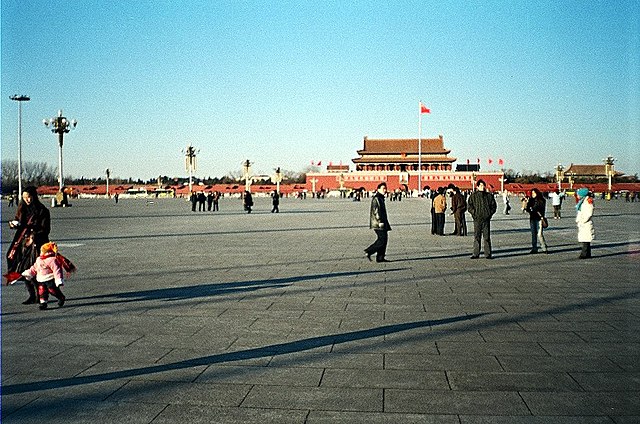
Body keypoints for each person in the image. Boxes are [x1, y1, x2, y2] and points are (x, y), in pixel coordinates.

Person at [6, 186, 51, 304]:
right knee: (18, 263)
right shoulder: (22, 208)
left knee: (33, 268)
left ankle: (39, 294)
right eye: (25, 197)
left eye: (29, 197)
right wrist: (13, 225)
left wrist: (32, 231)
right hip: (22, 241)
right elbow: (18, 221)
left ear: (34, 197)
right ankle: (32, 294)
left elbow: (45, 229)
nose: (27, 200)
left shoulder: (42, 210)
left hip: (36, 242)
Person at [21, 242, 69, 310]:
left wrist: (58, 279)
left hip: (50, 278)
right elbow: (34, 268)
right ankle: (43, 303)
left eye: (42, 251)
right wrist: (29, 273)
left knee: (52, 290)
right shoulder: (39, 259)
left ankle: (60, 297)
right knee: (41, 291)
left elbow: (57, 270)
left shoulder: (53, 260)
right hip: (41, 278)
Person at [467, 180, 497, 259]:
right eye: (480, 185)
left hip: (486, 219)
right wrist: (474, 213)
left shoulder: (489, 196)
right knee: (477, 237)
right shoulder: (473, 196)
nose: (482, 187)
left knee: (486, 237)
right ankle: (476, 253)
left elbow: (493, 206)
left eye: (483, 185)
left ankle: (488, 254)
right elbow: (469, 206)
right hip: (477, 219)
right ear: (477, 187)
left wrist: (489, 214)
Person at [364, 182, 392, 263]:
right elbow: (376, 211)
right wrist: (379, 221)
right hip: (378, 223)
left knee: (384, 239)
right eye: (383, 188)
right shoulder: (376, 198)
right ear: (378, 189)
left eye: (385, 188)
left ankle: (380, 257)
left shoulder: (381, 197)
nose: (385, 190)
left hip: (382, 222)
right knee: (382, 239)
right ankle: (369, 251)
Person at [525, 188, 548, 254]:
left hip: (539, 218)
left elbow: (541, 209)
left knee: (539, 234)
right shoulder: (531, 200)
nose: (533, 194)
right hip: (532, 218)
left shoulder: (541, 200)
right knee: (533, 234)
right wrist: (529, 207)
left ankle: (544, 247)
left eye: (534, 193)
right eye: (532, 193)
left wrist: (533, 208)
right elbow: (527, 209)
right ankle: (534, 248)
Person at [575, 188, 594, 259]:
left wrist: (583, 221)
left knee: (586, 239)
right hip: (583, 223)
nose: (577, 196)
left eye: (578, 195)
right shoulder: (583, 201)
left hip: (585, 223)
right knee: (585, 239)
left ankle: (584, 254)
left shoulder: (588, 202)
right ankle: (587, 253)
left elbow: (589, 213)